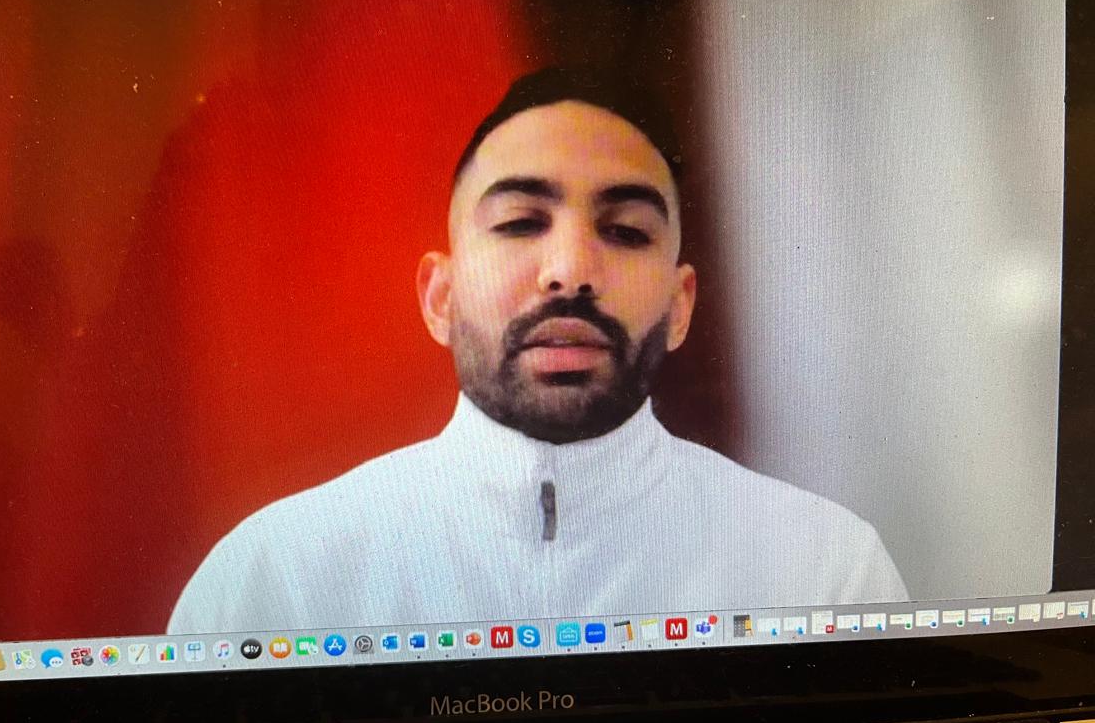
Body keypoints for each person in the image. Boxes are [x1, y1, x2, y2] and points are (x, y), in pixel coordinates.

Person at [168, 67, 908, 633]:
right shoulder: (273, 583)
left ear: (681, 306)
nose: (571, 269)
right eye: (521, 222)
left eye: (625, 231)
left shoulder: (825, 574)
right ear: (440, 297)